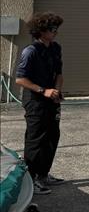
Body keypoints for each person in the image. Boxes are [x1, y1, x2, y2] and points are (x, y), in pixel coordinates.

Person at [15, 12, 65, 195]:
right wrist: (43, 90)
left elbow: (59, 73)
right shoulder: (31, 51)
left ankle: (43, 174)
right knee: (36, 140)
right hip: (35, 100)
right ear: (41, 31)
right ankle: (32, 179)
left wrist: (57, 91)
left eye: (56, 29)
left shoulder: (55, 48)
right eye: (52, 29)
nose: (55, 32)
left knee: (52, 137)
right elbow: (20, 79)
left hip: (52, 99)